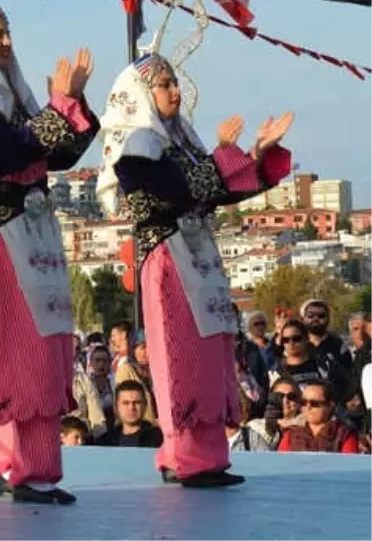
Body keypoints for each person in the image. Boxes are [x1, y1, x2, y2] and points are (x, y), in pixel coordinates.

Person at [97, 52, 293, 488]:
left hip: (197, 256)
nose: (175, 91)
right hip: (169, 259)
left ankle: (208, 456)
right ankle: (183, 458)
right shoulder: (136, 143)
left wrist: (256, 154)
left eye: (174, 83)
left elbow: (214, 190)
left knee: (209, 357)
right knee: (180, 358)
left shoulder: (179, 139)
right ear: (142, 93)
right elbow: (178, 190)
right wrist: (225, 153)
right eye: (165, 84)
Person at [0, 0, 99, 505]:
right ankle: (15, 468)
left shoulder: (20, 99)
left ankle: (40, 469)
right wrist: (59, 107)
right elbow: (8, 152)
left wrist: (73, 102)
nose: (6, 43)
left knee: (46, 351)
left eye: (8, 32)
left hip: (37, 232)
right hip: (4, 234)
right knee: (16, 352)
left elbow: (60, 153)